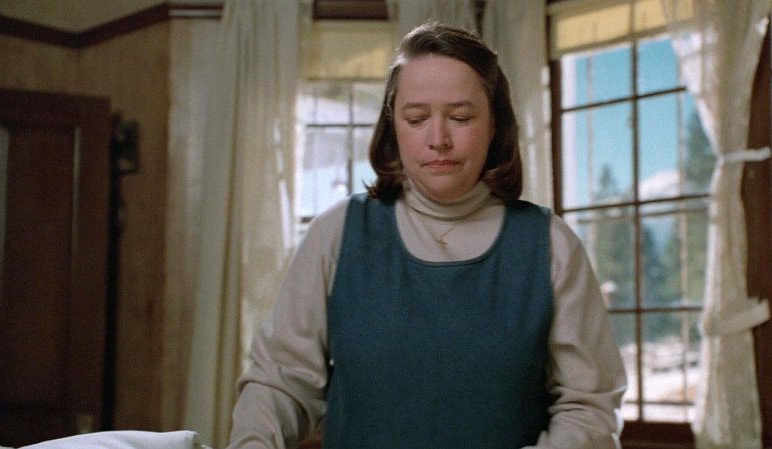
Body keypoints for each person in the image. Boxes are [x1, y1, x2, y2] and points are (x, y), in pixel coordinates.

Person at [227, 21, 626, 449]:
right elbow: (280, 382)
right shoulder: (336, 234)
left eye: (461, 118)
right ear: (393, 126)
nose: (439, 139)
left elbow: (589, 407)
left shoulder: (551, 245)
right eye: (416, 119)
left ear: (495, 124)